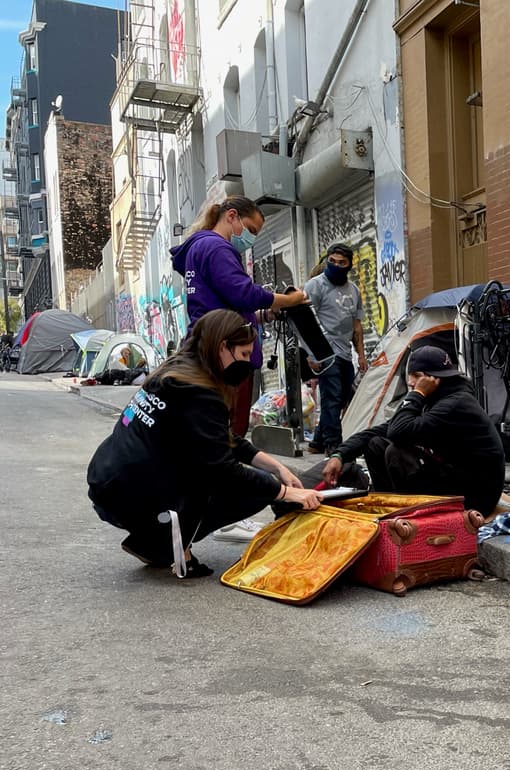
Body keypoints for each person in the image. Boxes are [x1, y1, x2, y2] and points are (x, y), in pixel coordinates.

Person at [87, 309, 322, 578]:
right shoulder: (200, 394)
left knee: (212, 465)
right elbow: (222, 467)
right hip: (131, 497)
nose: (248, 362)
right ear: (223, 347)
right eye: (244, 354)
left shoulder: (173, 374)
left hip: (107, 485)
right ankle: (170, 543)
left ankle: (154, 538)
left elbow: (219, 438)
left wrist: (276, 467)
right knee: (239, 483)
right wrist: (283, 492)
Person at [170, 196, 308, 438]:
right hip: (226, 355)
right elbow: (243, 293)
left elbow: (224, 303)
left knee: (216, 430)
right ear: (231, 216)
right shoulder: (216, 247)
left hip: (211, 347)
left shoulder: (200, 248)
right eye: (251, 230)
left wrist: (263, 315)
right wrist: (289, 300)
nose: (251, 239)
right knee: (229, 433)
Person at [321, 345, 505, 516]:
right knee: (376, 444)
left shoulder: (455, 403)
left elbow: (398, 431)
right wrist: (340, 455)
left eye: (416, 376)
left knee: (398, 452)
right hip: (455, 476)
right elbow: (382, 430)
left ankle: (410, 514)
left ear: (433, 379)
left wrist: (416, 395)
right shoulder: (435, 400)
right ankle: (390, 504)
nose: (410, 382)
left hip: (476, 497)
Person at [303, 242, 367, 454]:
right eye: (332, 261)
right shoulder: (315, 285)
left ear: (349, 265)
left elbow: (357, 326)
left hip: (345, 352)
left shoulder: (354, 290)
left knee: (342, 397)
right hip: (325, 352)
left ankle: (317, 441)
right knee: (331, 397)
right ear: (327, 260)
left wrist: (362, 355)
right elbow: (307, 322)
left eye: (342, 263)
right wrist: (312, 355)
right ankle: (334, 446)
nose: (336, 265)